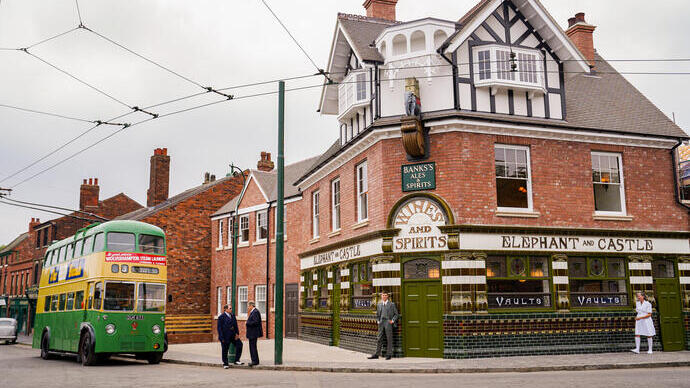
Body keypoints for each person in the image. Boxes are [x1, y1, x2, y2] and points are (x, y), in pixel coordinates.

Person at [368, 291, 399, 360]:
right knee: (379, 338)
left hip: (388, 322)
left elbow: (396, 314)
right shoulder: (379, 304)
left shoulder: (392, 304)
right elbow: (378, 314)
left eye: (385, 295)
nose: (384, 296)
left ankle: (389, 354)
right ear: (381, 296)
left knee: (389, 338)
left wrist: (392, 321)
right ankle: (376, 354)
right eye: (383, 295)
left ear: (387, 296)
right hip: (381, 322)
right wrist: (378, 321)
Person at [245, 301, 263, 366]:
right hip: (252, 333)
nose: (248, 308)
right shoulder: (254, 311)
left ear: (251, 306)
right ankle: (255, 360)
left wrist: (247, 323)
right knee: (253, 347)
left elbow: (256, 322)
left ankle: (254, 361)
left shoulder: (255, 312)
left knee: (252, 347)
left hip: (253, 333)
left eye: (248, 306)